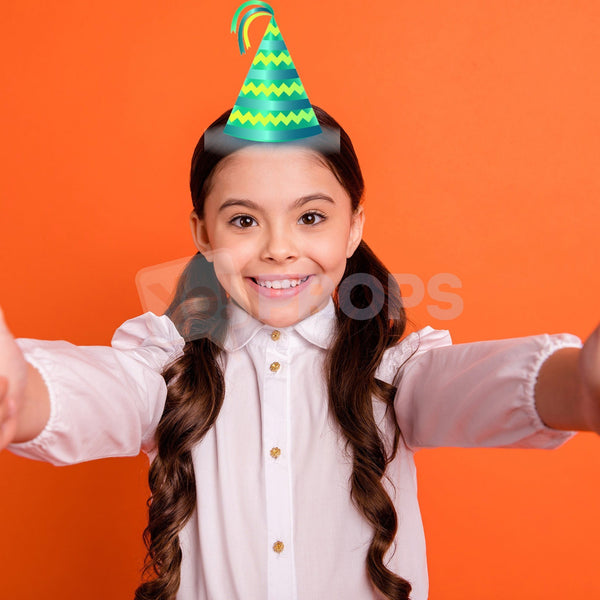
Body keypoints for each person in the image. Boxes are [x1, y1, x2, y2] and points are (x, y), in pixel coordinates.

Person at [0, 105, 599, 600]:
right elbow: (96, 393)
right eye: (243, 221)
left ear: (354, 225)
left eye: (310, 216)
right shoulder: (167, 367)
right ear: (203, 233)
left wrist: (581, 385)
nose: (280, 249)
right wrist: (18, 391)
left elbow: (478, 386)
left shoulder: (396, 370)